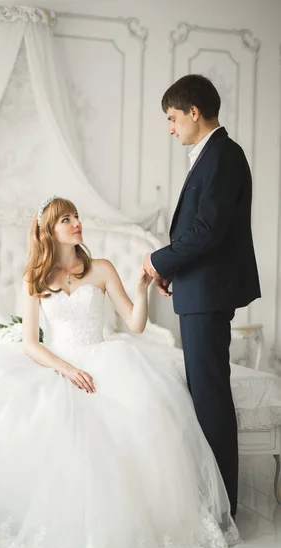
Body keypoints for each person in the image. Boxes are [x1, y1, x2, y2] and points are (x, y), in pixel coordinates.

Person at [0, 197, 238, 548]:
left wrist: (142, 285)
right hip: (57, 363)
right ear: (49, 230)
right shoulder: (35, 277)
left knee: (133, 417)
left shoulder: (100, 269)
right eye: (66, 219)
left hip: (103, 360)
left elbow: (135, 325)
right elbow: (31, 344)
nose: (76, 223)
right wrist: (65, 369)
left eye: (76, 216)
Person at [144, 74, 261, 518]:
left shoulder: (223, 156)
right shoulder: (211, 155)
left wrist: (159, 260)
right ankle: (213, 499)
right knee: (204, 391)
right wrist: (174, 270)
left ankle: (222, 508)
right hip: (199, 288)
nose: (170, 128)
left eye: (173, 118)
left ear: (194, 112)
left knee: (210, 394)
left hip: (209, 293)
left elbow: (207, 230)